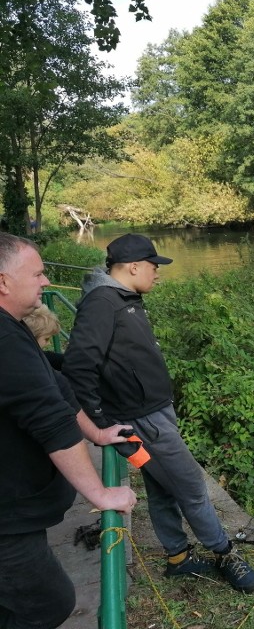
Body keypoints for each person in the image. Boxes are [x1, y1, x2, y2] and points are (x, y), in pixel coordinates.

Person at [62, 233, 254, 593]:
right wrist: (100, 423)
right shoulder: (104, 302)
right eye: (153, 266)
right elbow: (78, 365)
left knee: (162, 488)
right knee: (191, 486)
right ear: (133, 266)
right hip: (143, 420)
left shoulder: (124, 297)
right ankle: (223, 552)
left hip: (153, 413)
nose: (157, 272)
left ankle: (178, 558)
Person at [0, 232, 136, 628]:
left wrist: (96, 434)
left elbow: (56, 387)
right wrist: (99, 493)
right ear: (3, 281)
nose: (46, 282)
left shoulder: (13, 327)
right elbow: (50, 420)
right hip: (7, 519)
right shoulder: (3, 339)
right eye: (39, 274)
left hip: (17, 511)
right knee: (48, 604)